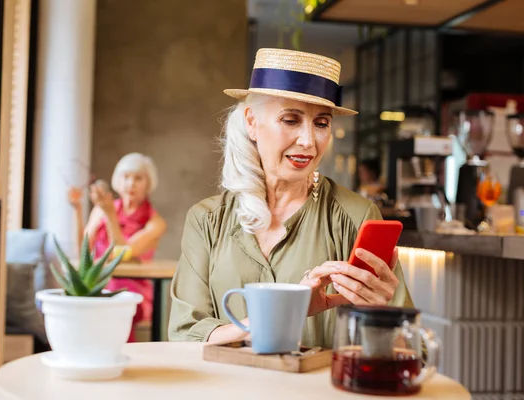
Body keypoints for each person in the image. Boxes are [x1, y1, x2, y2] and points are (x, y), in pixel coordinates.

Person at [168, 48, 415, 348]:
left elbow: (412, 351)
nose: (308, 141)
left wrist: (381, 314)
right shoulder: (206, 220)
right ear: (251, 122)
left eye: (321, 123)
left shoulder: (356, 217)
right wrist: (286, 309)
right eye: (290, 120)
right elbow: (185, 334)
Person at [68, 152, 167, 342]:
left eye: (138, 178)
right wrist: (78, 210)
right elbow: (83, 251)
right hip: (101, 284)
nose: (130, 184)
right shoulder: (101, 210)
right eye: (126, 177)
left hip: (135, 292)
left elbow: (124, 253)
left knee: (118, 305)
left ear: (148, 184)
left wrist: (110, 216)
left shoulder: (155, 223)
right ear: (117, 180)